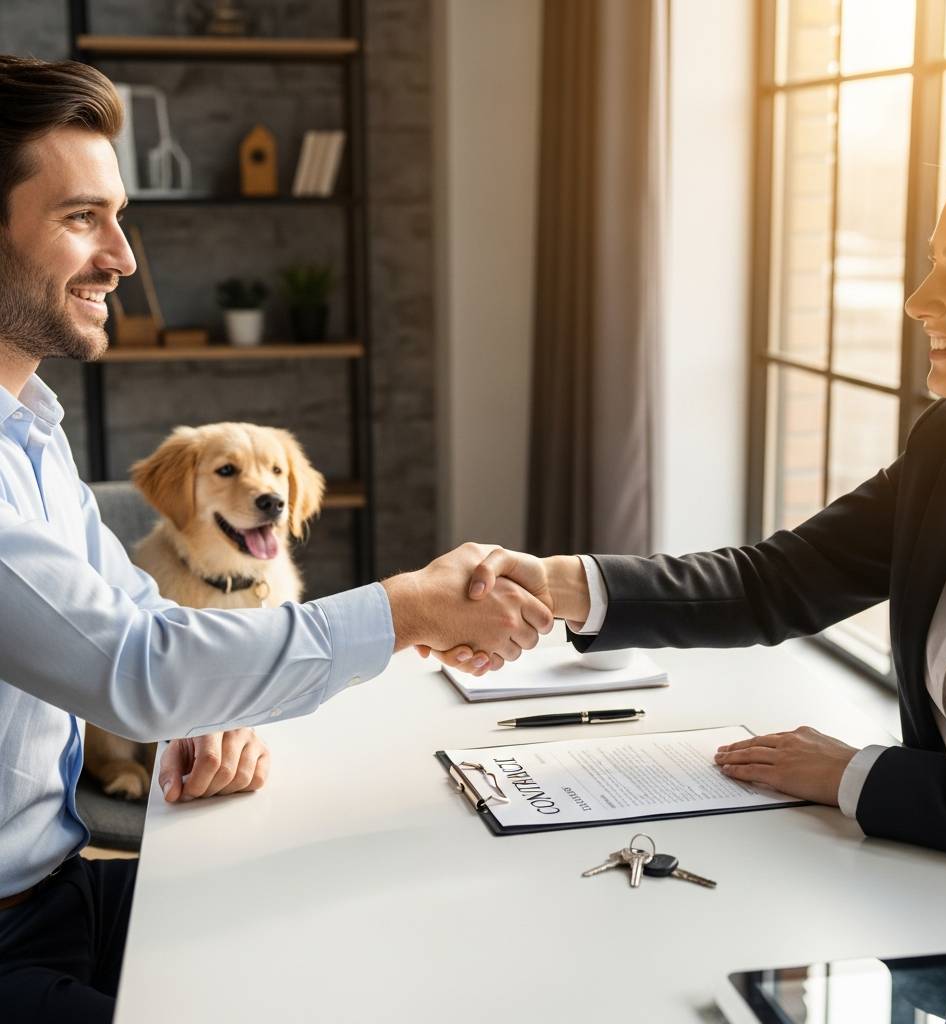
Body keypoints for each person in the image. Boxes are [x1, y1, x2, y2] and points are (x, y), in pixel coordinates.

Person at [0, 55, 550, 1023]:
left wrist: (206, 711)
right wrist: (409, 606)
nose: (124, 258)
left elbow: (135, 616)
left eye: (117, 217)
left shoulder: (30, 428)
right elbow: (136, 665)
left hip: (56, 892)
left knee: (357, 934)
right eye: (81, 217)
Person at [444, 139, 946, 876]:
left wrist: (853, 774)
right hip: (928, 888)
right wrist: (559, 585)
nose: (917, 300)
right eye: (933, 261)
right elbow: (777, 581)